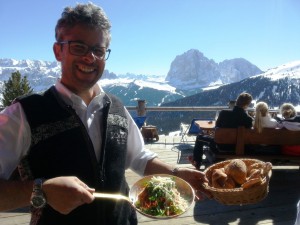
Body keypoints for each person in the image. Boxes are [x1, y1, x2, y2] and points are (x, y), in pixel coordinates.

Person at [0, 3, 208, 225]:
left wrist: (177, 172)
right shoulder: (22, 114)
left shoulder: (117, 107)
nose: (90, 58)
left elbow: (137, 156)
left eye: (98, 50)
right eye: (78, 47)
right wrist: (41, 191)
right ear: (58, 50)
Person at [190, 92, 254, 169]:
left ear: (236, 101)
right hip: (239, 149)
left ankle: (197, 163)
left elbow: (216, 128)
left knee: (200, 137)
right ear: (247, 105)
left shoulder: (224, 113)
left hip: (220, 147)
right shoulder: (248, 119)